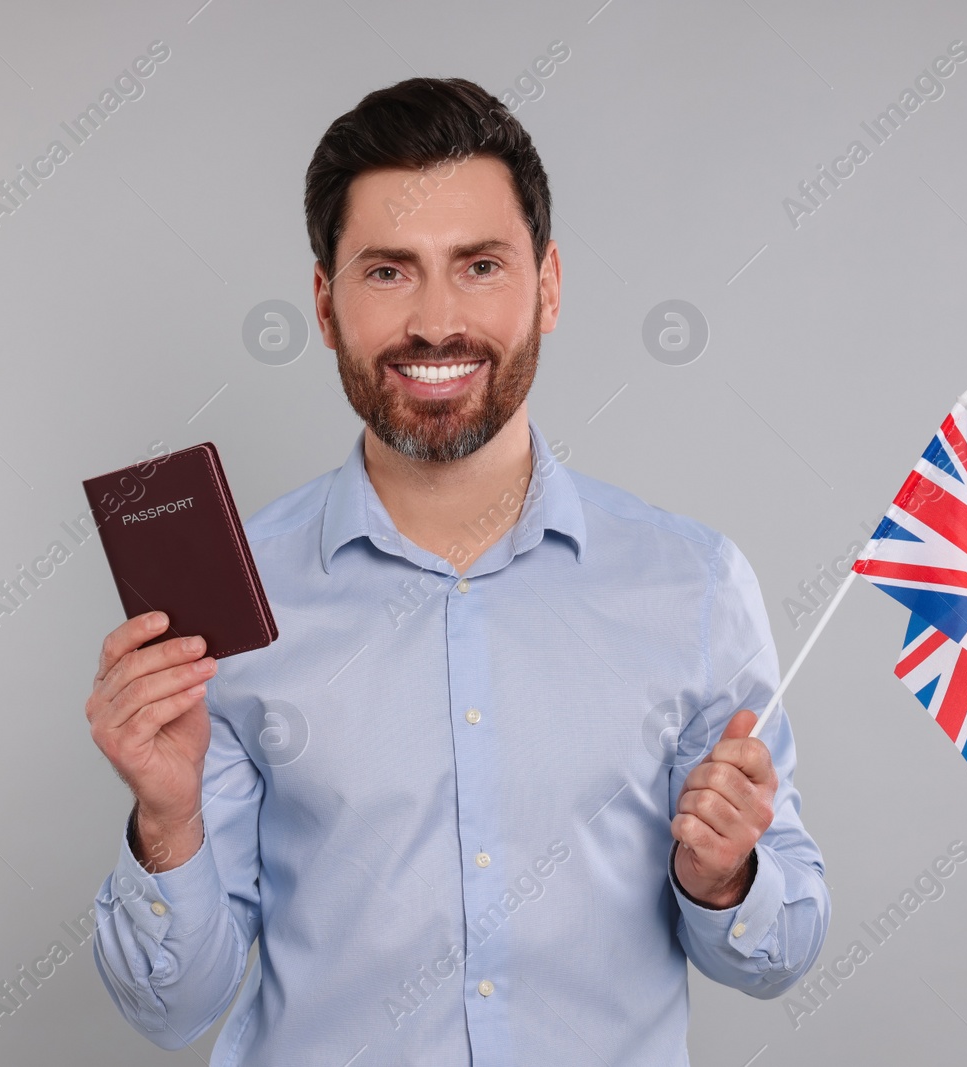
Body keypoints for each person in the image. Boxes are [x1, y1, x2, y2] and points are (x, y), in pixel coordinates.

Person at [85, 76, 829, 1063]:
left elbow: (776, 952)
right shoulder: (234, 594)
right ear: (324, 301)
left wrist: (724, 876)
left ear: (548, 285)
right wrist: (167, 818)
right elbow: (173, 1008)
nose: (435, 321)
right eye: (388, 272)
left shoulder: (689, 584)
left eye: (478, 265)